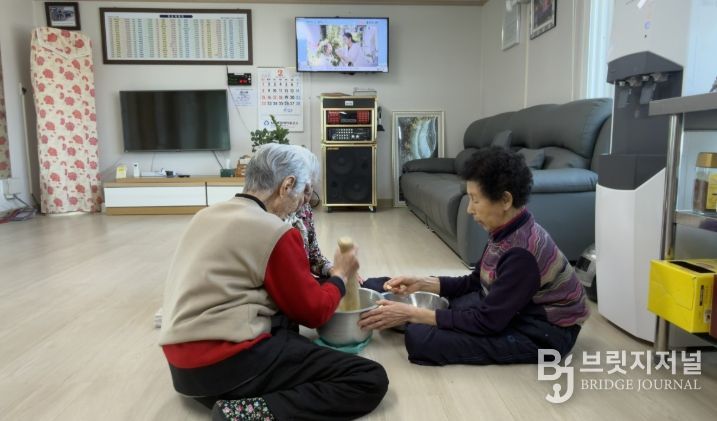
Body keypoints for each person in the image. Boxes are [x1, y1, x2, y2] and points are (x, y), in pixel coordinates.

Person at [159, 144, 388, 420]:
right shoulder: (274, 231)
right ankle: (245, 414)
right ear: (286, 185)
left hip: (184, 373)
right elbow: (314, 313)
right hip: (228, 365)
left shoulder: (205, 215)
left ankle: (243, 396)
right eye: (304, 191)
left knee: (287, 320)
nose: (304, 202)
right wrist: (340, 273)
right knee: (369, 377)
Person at [359, 146, 589, 366]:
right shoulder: (506, 230)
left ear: (505, 200)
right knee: (378, 286)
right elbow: (475, 282)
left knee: (420, 338)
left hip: (543, 332)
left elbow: (487, 321)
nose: (469, 209)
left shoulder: (521, 253)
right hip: (511, 308)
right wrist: (421, 283)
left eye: (475, 199)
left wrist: (413, 314)